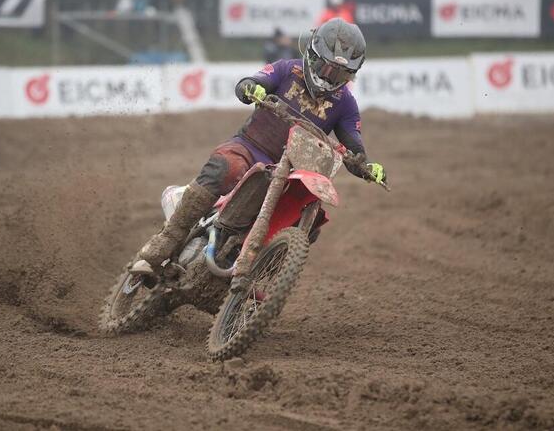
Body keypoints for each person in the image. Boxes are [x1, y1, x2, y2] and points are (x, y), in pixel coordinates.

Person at [130, 18, 386, 283]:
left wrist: (367, 166)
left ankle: (256, 284)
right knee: (227, 167)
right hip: (251, 148)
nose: (330, 77)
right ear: (313, 55)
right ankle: (164, 243)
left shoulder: (345, 104)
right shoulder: (287, 70)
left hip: (292, 174)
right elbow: (251, 82)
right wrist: (252, 88)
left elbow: (354, 148)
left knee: (310, 221)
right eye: (327, 68)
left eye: (340, 74)